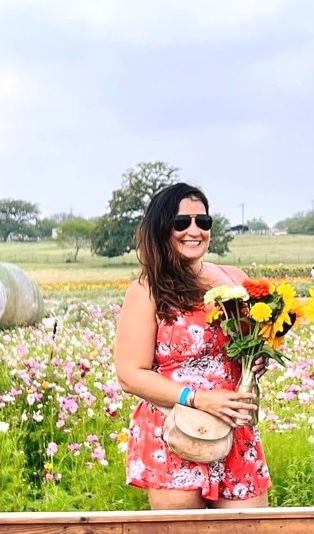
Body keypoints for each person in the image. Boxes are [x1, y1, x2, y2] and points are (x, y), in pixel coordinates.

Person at [115, 182, 271, 509]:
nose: (194, 230)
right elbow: (130, 374)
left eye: (203, 222)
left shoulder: (234, 278)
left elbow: (250, 340)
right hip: (175, 429)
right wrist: (199, 399)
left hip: (234, 428)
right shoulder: (146, 291)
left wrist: (255, 359)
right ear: (162, 229)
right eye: (181, 222)